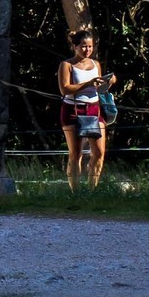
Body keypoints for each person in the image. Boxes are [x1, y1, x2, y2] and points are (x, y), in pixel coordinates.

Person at [59, 26, 115, 191]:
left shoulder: (96, 64)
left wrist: (108, 82)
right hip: (73, 109)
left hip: (94, 109)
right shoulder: (67, 65)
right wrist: (88, 84)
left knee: (99, 152)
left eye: (90, 46)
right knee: (76, 153)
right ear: (75, 46)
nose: (87, 50)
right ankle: (75, 191)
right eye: (83, 46)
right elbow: (65, 89)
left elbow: (99, 88)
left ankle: (92, 190)